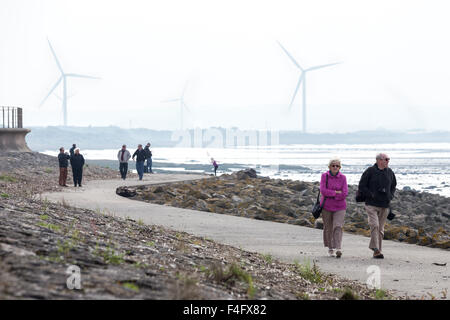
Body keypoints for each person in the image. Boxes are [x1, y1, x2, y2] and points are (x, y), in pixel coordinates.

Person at [358, 153, 397, 259]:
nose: (388, 161)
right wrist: (371, 194)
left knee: (380, 228)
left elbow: (393, 185)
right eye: (386, 159)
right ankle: (376, 250)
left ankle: (377, 250)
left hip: (385, 205)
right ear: (379, 160)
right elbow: (362, 185)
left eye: (388, 159)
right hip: (371, 204)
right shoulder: (370, 171)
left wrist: (390, 195)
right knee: (374, 225)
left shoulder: (390, 172)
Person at [319, 158, 348, 258]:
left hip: (340, 206)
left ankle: (338, 248)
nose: (335, 167)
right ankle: (330, 248)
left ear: (340, 167)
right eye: (333, 165)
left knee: (338, 226)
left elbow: (344, 193)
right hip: (326, 206)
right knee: (328, 228)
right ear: (329, 167)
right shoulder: (324, 176)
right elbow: (323, 191)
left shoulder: (343, 178)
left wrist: (331, 193)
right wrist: (336, 193)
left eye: (337, 166)